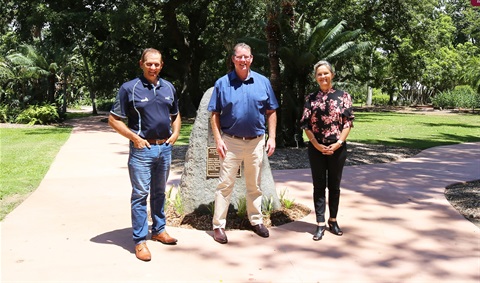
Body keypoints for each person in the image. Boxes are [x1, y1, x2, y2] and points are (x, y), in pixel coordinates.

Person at [108, 48, 181, 261]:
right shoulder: (129, 88)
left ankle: (159, 230)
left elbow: (175, 114)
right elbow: (113, 119)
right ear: (141, 63)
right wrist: (135, 138)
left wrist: (175, 133)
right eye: (149, 63)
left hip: (164, 149)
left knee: (159, 193)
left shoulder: (169, 87)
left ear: (161, 65)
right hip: (142, 151)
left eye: (157, 64)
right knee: (140, 195)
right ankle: (140, 241)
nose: (153, 67)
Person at [208, 42, 279, 244]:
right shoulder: (222, 83)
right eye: (239, 57)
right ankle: (218, 226)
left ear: (251, 58)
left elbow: (271, 111)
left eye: (246, 57)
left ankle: (256, 220)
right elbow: (215, 114)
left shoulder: (263, 81)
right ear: (233, 59)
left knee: (254, 185)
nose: (243, 60)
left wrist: (271, 137)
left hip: (256, 142)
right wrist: (218, 139)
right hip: (231, 142)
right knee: (224, 185)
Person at [300, 60, 354, 241]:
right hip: (316, 148)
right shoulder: (310, 98)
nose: (323, 77)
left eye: (325, 73)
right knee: (319, 186)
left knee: (334, 186)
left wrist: (338, 143)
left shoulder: (343, 96)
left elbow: (348, 123)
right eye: (319, 74)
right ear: (316, 78)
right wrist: (316, 144)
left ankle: (333, 220)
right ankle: (320, 223)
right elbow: (306, 124)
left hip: (337, 148)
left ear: (332, 75)